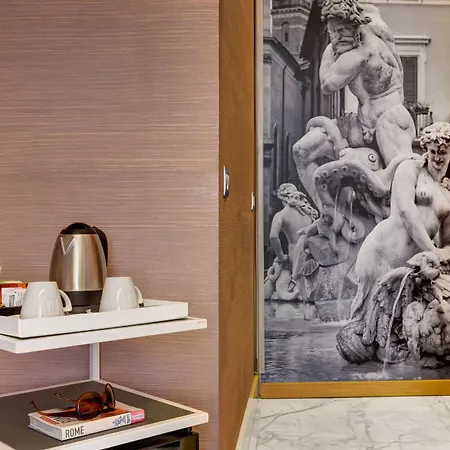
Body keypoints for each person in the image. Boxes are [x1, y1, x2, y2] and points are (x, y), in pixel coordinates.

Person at [293, 0, 416, 203]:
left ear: (355, 26)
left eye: (342, 30)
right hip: (359, 123)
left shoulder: (361, 53)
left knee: (402, 189)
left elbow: (327, 84)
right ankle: (329, 212)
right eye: (332, 32)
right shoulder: (372, 18)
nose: (337, 37)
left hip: (390, 121)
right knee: (301, 151)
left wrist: (330, 49)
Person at [351, 122, 450, 320]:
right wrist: (432, 251)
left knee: (403, 324)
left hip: (412, 265)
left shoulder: (447, 192)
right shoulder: (410, 168)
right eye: (432, 151)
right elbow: (406, 211)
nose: (437, 157)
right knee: (366, 321)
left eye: (442, 152)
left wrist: (442, 255)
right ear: (425, 148)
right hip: (382, 253)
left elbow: (446, 241)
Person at [269, 183, 316, 265]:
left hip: (295, 257)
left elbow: (273, 236)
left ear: (282, 198)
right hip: (311, 256)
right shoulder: (308, 212)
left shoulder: (281, 215)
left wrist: (281, 257)